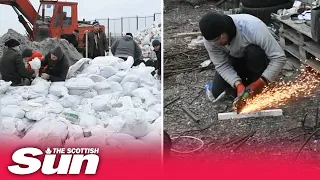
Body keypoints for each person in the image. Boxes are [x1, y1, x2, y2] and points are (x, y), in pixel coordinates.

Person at [199, 12, 286, 101]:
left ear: (224, 30)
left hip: (256, 59)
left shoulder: (253, 27)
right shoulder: (210, 40)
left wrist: (261, 82)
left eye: (217, 39)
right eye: (212, 41)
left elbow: (279, 58)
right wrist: (237, 84)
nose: (216, 44)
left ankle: (257, 81)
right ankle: (244, 87)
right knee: (218, 92)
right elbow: (222, 65)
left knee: (254, 52)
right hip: (236, 59)